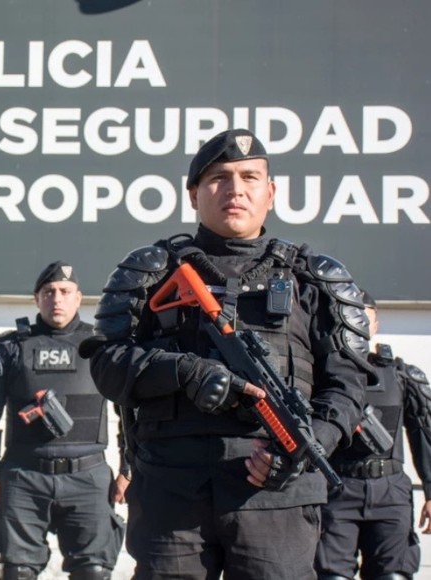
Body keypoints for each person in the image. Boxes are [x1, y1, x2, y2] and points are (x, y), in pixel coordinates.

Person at [78, 128, 376, 579]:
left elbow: (348, 384)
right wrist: (184, 372)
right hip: (172, 495)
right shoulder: (149, 272)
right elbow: (106, 364)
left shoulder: (314, 280)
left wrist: (306, 446)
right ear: (193, 194)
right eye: (218, 178)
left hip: (276, 492)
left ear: (270, 193)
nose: (235, 190)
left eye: (249, 177)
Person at [0, 261, 127, 580]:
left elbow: (130, 415)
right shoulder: (8, 349)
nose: (57, 299)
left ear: (79, 298)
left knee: (93, 572)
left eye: (65, 291)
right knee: (18, 571)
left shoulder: (103, 347)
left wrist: (128, 470)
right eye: (49, 292)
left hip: (88, 478)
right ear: (36, 299)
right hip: (24, 478)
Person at [315, 289, 431, 580]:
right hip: (337, 488)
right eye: (354, 321)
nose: (361, 329)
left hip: (390, 491)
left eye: (366, 322)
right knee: (330, 576)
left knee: (392, 576)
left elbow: (425, 433)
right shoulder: (323, 377)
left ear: (376, 325)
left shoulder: (402, 376)